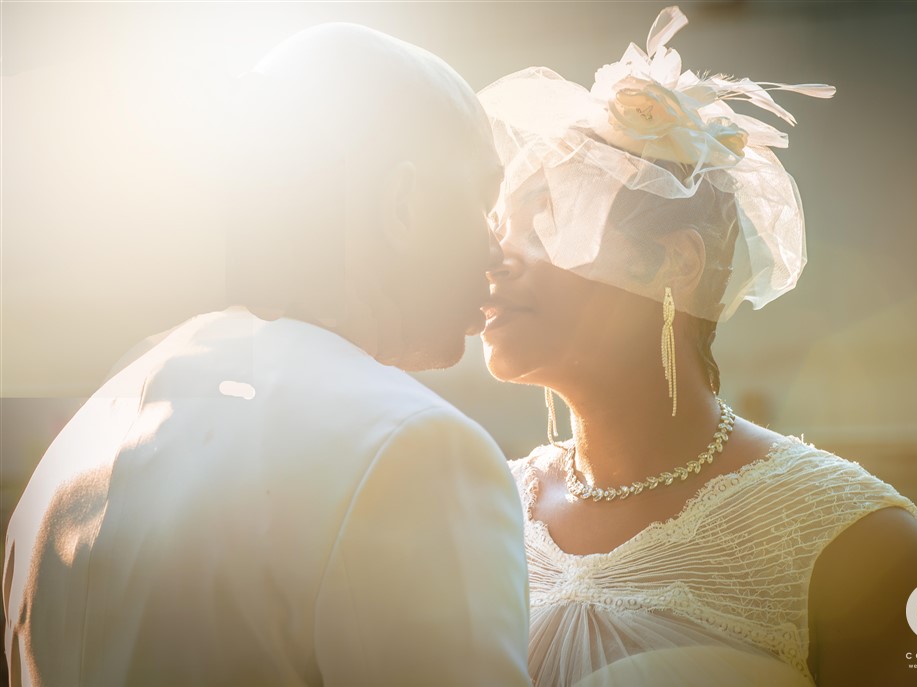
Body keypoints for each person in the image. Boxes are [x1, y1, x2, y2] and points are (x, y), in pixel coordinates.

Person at [477, 6, 917, 686]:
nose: (495, 258)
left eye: (546, 225)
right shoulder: (484, 510)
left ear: (675, 265)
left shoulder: (854, 542)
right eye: (500, 227)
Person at [3, 24, 530, 687]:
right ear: (403, 205)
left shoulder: (73, 447)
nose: (497, 248)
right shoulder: (411, 449)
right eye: (485, 201)